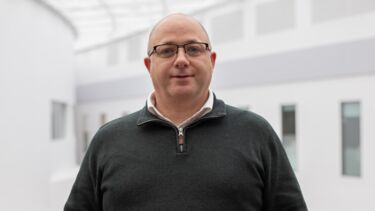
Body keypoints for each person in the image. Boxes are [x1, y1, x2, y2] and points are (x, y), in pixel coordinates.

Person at [64, 13, 308, 211]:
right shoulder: (108, 140)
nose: (181, 60)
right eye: (167, 50)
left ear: (211, 60)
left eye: (193, 49)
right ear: (149, 65)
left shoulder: (256, 133)